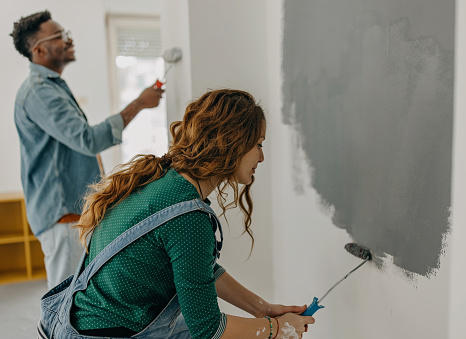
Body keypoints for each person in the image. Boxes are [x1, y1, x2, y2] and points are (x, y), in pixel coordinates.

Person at [37, 89, 315, 339]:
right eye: (259, 145)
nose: (262, 157)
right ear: (234, 143)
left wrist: (262, 308)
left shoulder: (162, 180)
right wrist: (276, 330)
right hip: (103, 333)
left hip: (80, 321)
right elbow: (208, 328)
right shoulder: (189, 218)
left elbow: (197, 268)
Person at [10, 10, 163, 289]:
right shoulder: (40, 92)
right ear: (39, 49)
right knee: (63, 301)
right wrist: (138, 104)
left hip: (70, 213)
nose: (69, 40)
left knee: (77, 297)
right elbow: (88, 140)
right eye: (60, 36)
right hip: (62, 215)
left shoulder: (52, 87)